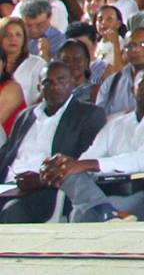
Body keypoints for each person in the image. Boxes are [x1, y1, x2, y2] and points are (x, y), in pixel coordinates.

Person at [0, 60, 106, 224]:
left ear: (72, 83)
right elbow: (7, 153)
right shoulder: (26, 116)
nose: (55, 86)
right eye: (47, 82)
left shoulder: (88, 115)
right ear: (39, 88)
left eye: (61, 80)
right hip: (8, 186)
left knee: (11, 212)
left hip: (47, 189)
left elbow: (83, 162)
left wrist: (40, 179)